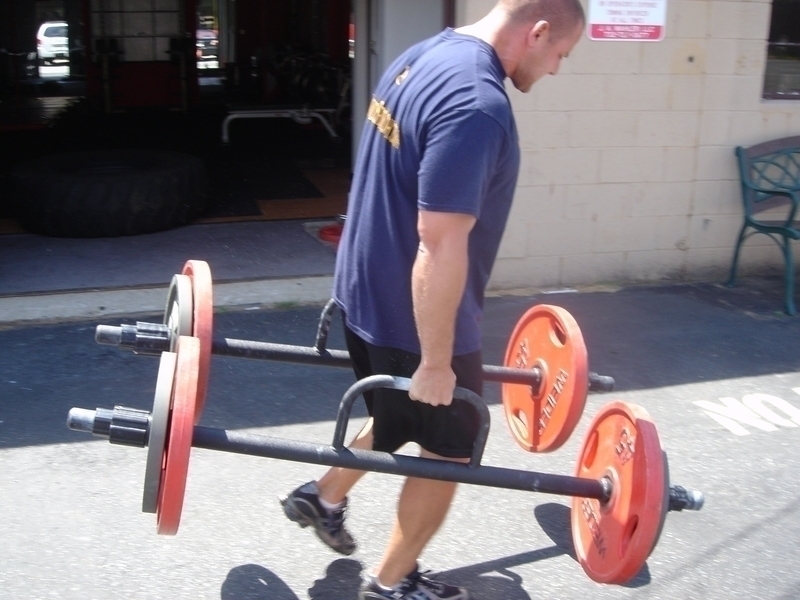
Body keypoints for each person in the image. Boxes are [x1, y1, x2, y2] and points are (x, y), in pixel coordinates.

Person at [280, 1, 585, 598]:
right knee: (452, 441)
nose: (556, 70)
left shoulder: (425, 54)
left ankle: (322, 495)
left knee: (400, 413)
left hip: (362, 294)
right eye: (559, 55)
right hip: (408, 316)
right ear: (539, 31)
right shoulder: (478, 104)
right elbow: (440, 244)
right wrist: (437, 360)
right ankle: (393, 584)